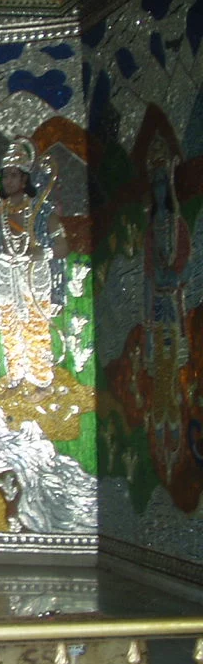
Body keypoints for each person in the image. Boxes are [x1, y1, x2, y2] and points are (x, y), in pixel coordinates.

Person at [0, 137, 68, 401]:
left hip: (34, 275)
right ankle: (15, 377)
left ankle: (43, 382)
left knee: (35, 327)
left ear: (24, 179)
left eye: (14, 175)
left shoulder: (42, 210)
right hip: (5, 274)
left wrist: (44, 253)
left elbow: (62, 246)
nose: (8, 181)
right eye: (5, 175)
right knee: (9, 326)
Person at [141, 134, 190, 485]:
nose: (159, 189)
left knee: (172, 370)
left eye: (163, 182)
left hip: (173, 306)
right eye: (155, 182)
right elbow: (148, 276)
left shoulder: (177, 227)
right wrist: (146, 325)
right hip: (157, 309)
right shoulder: (150, 232)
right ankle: (161, 435)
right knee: (160, 371)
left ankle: (173, 428)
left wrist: (174, 277)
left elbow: (183, 267)